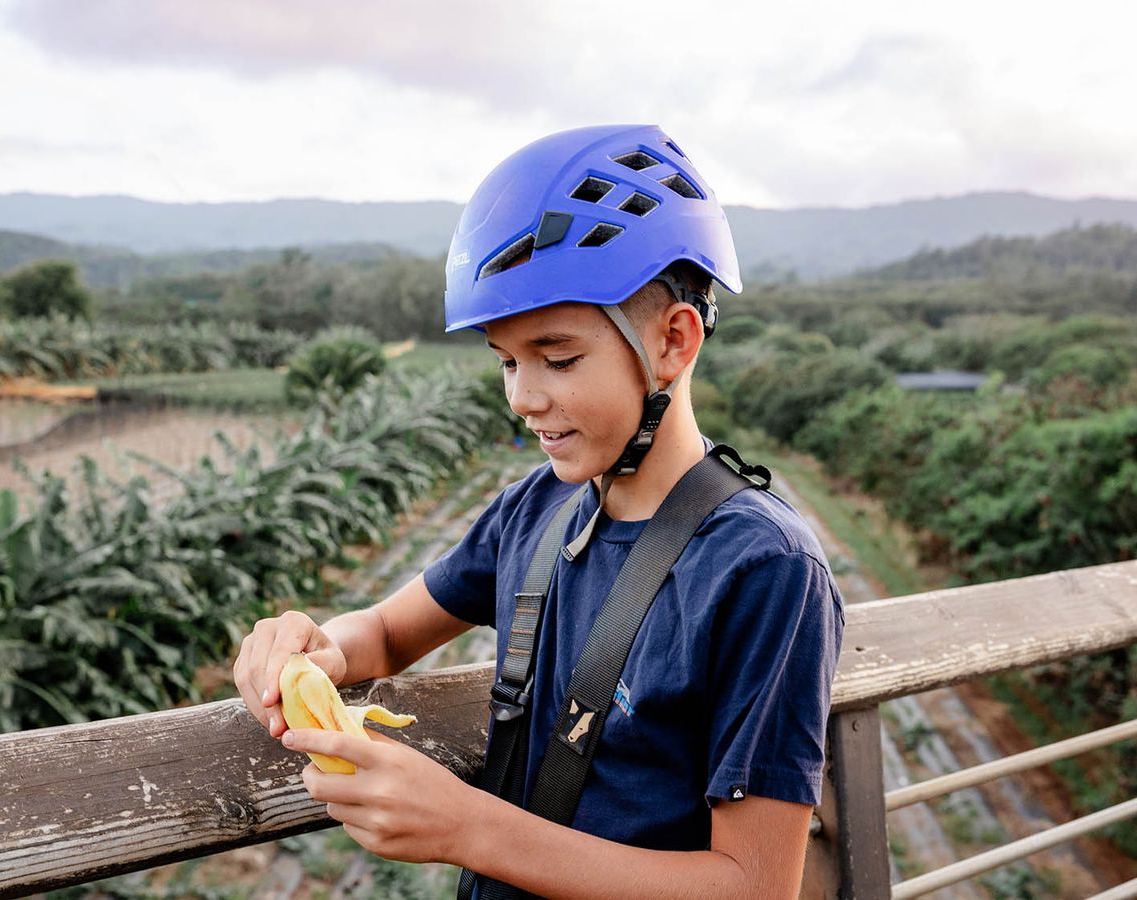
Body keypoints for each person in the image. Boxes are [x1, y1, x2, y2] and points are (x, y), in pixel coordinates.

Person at [233, 124, 844, 898]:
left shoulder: (763, 570)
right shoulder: (536, 508)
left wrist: (467, 827)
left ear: (674, 341)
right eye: (507, 362)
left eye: (558, 359)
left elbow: (754, 887)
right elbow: (386, 634)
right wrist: (315, 650)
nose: (523, 398)